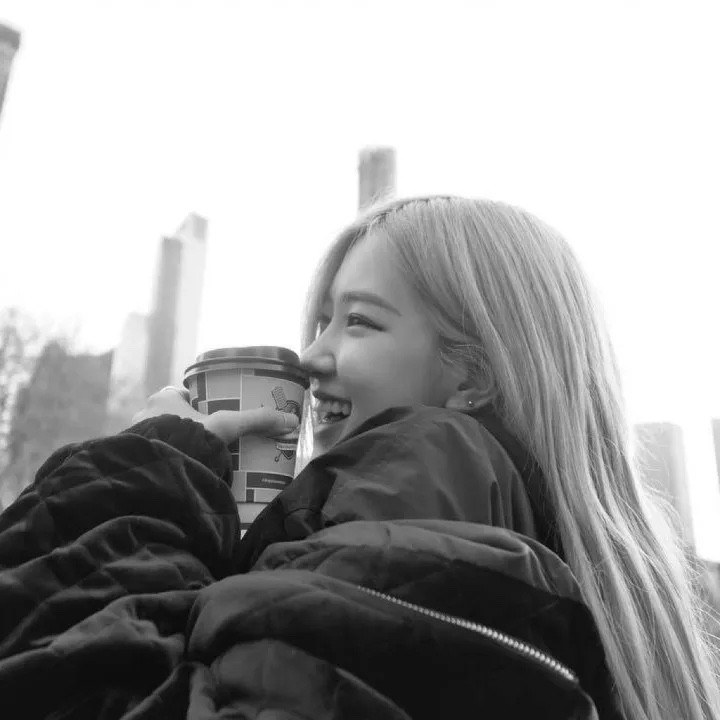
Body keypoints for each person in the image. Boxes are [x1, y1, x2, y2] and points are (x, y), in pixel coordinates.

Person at [0, 196, 718, 719]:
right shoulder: (522, 557)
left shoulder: (418, 515)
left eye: (360, 322)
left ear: (474, 377)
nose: (311, 356)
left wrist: (138, 477)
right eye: (321, 322)